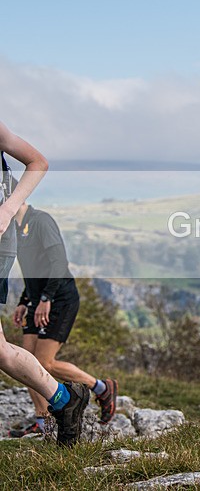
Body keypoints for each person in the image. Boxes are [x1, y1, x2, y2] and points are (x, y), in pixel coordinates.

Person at [0, 120, 89, 446]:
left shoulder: (41, 223)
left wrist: (7, 210)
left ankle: (83, 393)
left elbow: (38, 161)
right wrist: (27, 301)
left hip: (5, 247)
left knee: (30, 356)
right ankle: (65, 400)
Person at [10, 200, 118, 436]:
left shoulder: (41, 221)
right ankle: (42, 420)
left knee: (44, 362)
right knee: (24, 361)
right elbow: (32, 271)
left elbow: (58, 262)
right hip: (37, 301)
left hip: (59, 299)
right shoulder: (15, 229)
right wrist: (23, 302)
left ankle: (101, 388)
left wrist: (47, 298)